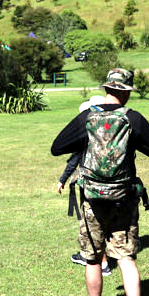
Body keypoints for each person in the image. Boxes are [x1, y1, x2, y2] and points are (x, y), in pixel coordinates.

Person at [51, 68, 149, 296]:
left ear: (106, 89)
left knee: (92, 257)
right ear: (125, 91)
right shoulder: (132, 119)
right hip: (124, 198)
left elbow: (58, 147)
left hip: (92, 199)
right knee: (126, 258)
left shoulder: (87, 117)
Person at [58, 95, 111, 277]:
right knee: (98, 222)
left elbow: (73, 159)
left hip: (91, 185)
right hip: (113, 186)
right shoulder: (111, 132)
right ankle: (86, 253)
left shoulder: (88, 135)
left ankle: (102, 263)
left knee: (94, 223)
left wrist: (62, 179)